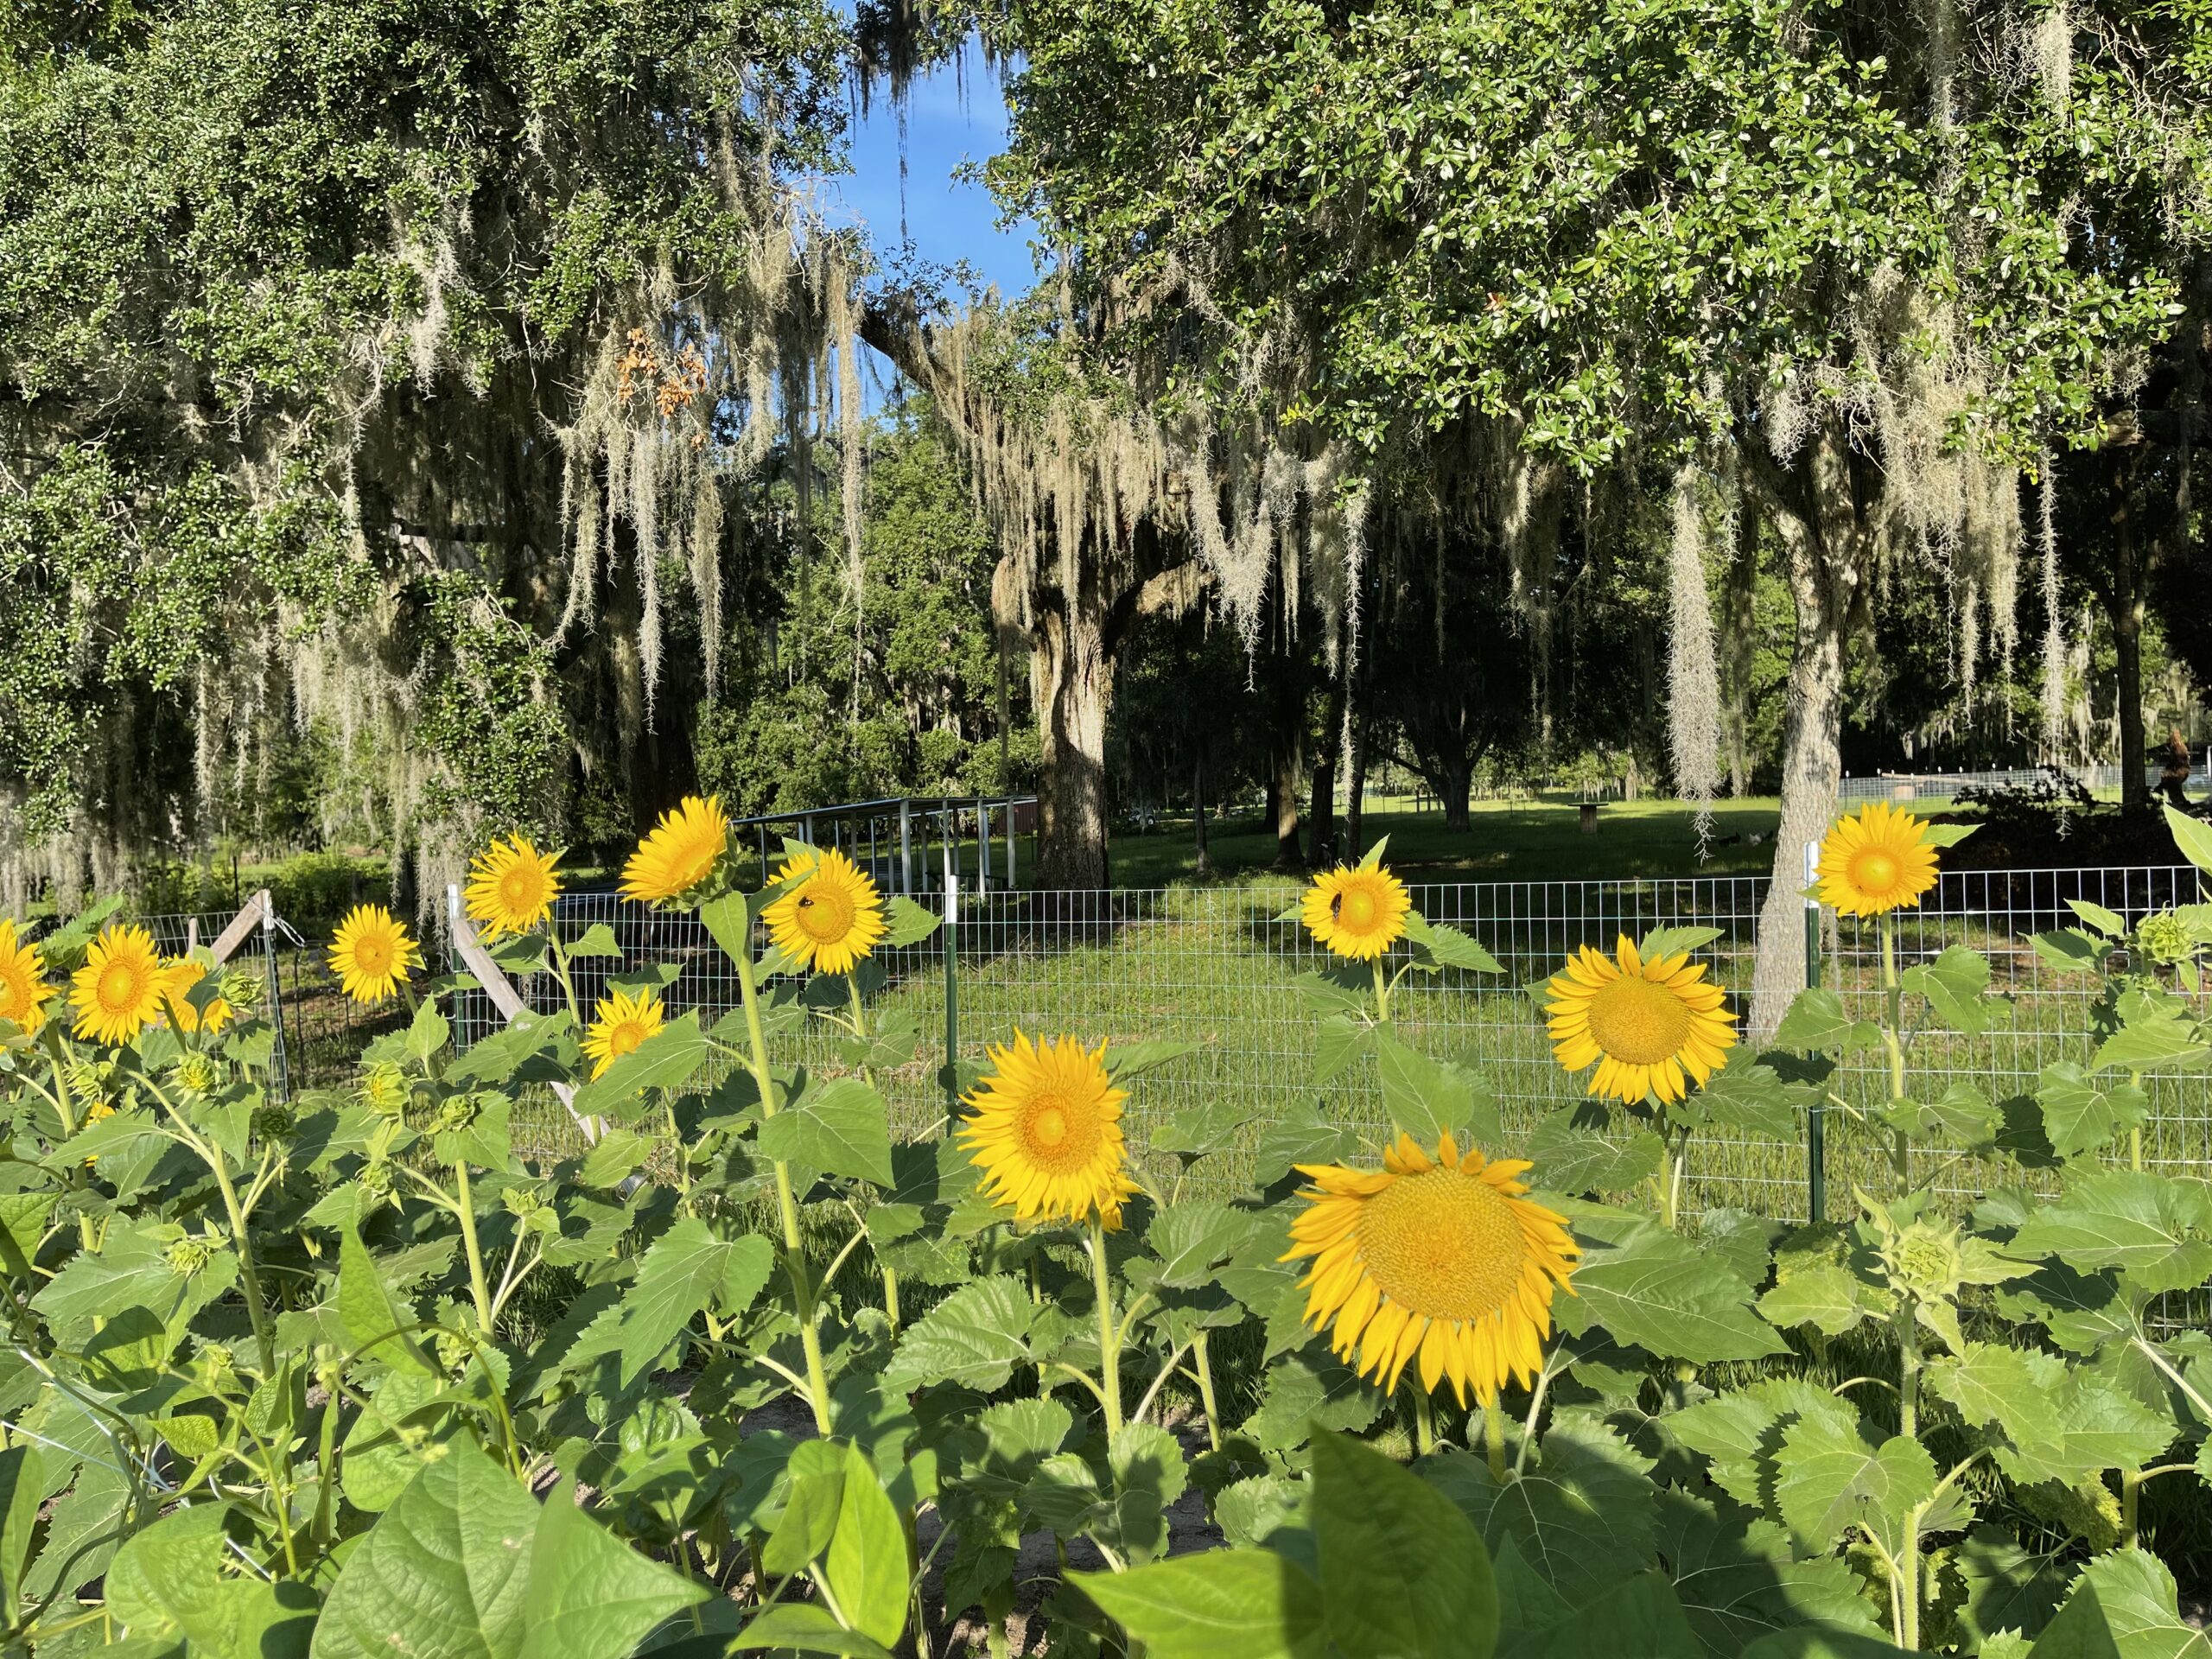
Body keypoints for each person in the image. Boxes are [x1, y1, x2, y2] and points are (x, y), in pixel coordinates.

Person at [2157, 728, 2194, 807]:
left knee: (2172, 785)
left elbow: (2178, 760)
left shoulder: (2177, 747)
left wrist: (2169, 771)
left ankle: (2179, 803)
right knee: (2173, 786)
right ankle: (2179, 802)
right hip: (2181, 771)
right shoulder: (2180, 746)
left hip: (2180, 771)